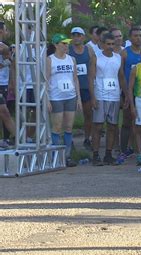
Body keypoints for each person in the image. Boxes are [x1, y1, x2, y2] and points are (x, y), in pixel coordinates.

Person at [88, 33, 128, 166]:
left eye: (112, 44)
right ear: (102, 44)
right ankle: (95, 154)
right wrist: (93, 97)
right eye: (108, 44)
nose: (110, 47)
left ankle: (108, 154)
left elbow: (121, 77)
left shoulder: (118, 58)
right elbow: (91, 78)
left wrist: (126, 94)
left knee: (112, 126)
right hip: (100, 95)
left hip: (114, 96)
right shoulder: (96, 57)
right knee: (98, 126)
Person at [47, 34, 82, 167]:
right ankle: (55, 156)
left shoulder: (71, 59)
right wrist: (47, 99)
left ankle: (66, 156)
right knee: (57, 126)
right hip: (56, 97)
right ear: (56, 45)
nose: (66, 46)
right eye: (63, 43)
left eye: (67, 43)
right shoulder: (50, 60)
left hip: (70, 96)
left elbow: (75, 78)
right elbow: (46, 79)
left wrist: (78, 97)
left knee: (68, 127)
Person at [119, 26, 141, 160]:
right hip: (128, 91)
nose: (138, 38)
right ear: (130, 38)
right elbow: (121, 75)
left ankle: (138, 149)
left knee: (140, 121)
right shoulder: (125, 53)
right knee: (127, 120)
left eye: (140, 35)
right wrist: (126, 94)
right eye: (135, 35)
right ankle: (124, 149)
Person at [69, 27, 94, 151]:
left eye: (78, 35)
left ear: (83, 37)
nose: (76, 37)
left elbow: (92, 68)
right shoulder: (68, 50)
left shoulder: (88, 50)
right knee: (70, 115)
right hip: (71, 88)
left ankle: (87, 138)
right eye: (73, 35)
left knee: (88, 114)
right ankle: (69, 140)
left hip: (85, 87)